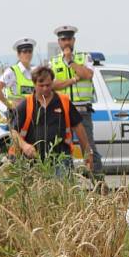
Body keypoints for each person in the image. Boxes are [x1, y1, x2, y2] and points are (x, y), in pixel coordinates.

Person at [10, 66, 93, 174]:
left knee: (61, 189)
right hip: (33, 161)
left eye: (48, 85)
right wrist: (24, 146)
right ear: (34, 84)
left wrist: (87, 152)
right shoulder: (26, 104)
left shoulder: (63, 101)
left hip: (61, 158)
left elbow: (78, 127)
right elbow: (13, 131)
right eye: (41, 85)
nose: (45, 88)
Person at [49, 25, 102, 174]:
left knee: (89, 149)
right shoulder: (53, 62)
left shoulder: (84, 57)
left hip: (81, 110)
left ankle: (98, 184)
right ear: (59, 42)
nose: (66, 43)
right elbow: (53, 85)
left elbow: (87, 74)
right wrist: (72, 80)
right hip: (62, 111)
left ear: (74, 40)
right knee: (63, 149)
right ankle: (68, 185)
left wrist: (71, 62)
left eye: (69, 39)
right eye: (63, 39)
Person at [0, 37, 36, 120]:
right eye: (24, 52)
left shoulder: (33, 72)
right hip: (17, 114)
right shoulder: (12, 71)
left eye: (30, 51)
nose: (28, 54)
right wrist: (10, 105)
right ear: (18, 54)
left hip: (31, 114)